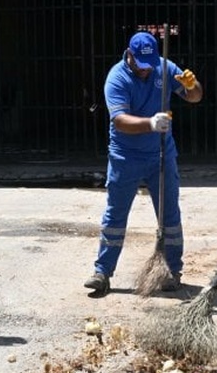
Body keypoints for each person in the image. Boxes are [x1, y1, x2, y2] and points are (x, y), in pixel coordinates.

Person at [83, 30, 204, 295]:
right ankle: (102, 272)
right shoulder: (117, 78)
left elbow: (195, 97)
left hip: (161, 154)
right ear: (130, 55)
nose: (146, 70)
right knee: (115, 214)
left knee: (169, 216)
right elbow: (119, 120)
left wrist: (192, 85)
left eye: (150, 64)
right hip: (125, 156)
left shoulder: (165, 67)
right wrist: (151, 123)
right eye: (141, 64)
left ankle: (172, 270)